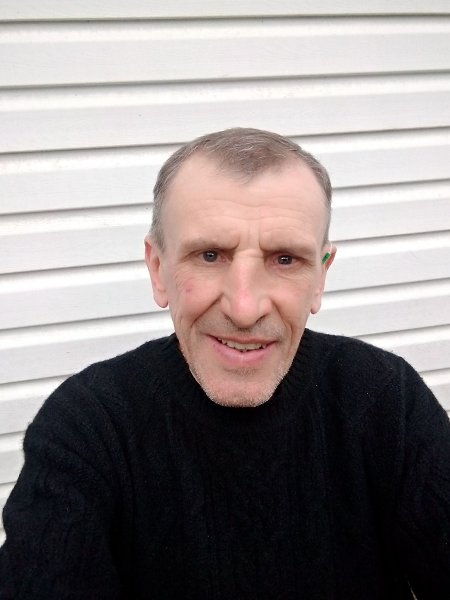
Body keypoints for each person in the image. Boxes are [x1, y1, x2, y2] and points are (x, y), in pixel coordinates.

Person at [0, 128, 449, 599]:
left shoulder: (385, 400)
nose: (244, 308)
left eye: (285, 259)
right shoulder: (89, 426)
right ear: (158, 269)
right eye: (210, 255)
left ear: (321, 277)